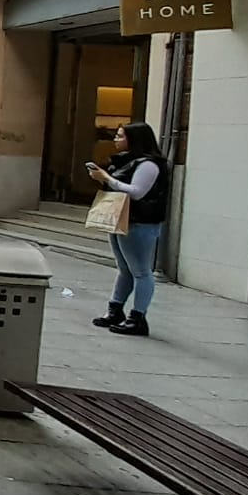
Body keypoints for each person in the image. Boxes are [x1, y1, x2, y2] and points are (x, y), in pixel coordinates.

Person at [86, 123, 170, 337]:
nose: (115, 138)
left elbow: (137, 192)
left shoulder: (148, 164)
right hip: (122, 218)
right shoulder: (127, 160)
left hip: (140, 222)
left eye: (120, 135)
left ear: (133, 139)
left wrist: (107, 179)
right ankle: (115, 310)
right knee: (124, 268)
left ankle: (137, 317)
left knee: (141, 271)